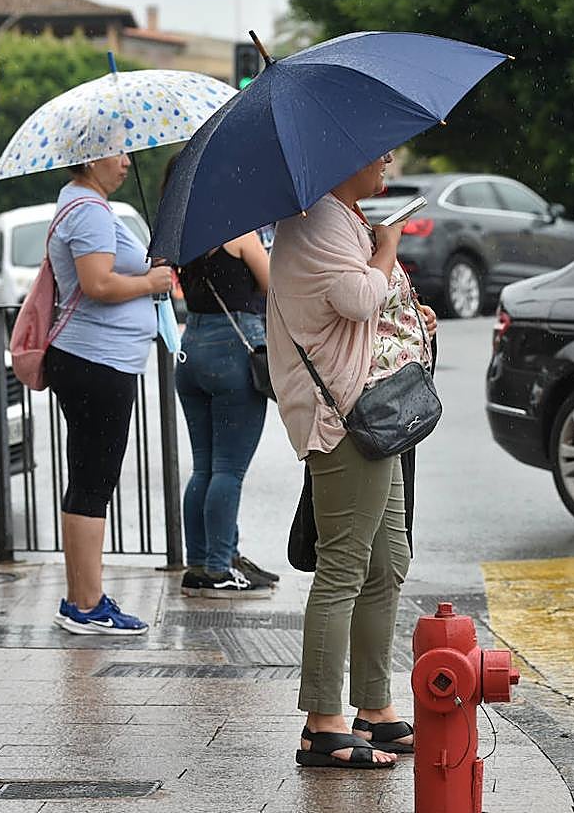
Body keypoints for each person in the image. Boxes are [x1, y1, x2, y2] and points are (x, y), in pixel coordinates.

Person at [267, 150, 436, 768]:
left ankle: (373, 708)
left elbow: (367, 307)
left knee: (388, 560)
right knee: (344, 565)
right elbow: (357, 297)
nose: (387, 158)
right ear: (342, 156)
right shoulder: (312, 222)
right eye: (377, 153)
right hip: (339, 414)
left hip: (367, 410)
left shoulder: (339, 214)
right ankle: (322, 723)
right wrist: (387, 244)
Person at [46, 154, 173, 636]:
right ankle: (87, 603)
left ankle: (81, 597)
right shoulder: (89, 211)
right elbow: (97, 283)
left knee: (86, 478)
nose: (126, 162)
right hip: (97, 361)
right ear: (90, 155)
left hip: (92, 359)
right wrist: (151, 282)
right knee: (94, 480)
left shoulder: (81, 205)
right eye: (116, 152)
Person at [164, 156, 278, 598]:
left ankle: (200, 562)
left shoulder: (177, 237)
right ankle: (219, 567)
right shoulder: (237, 231)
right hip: (233, 352)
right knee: (229, 470)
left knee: (205, 468)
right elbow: (272, 285)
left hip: (190, 350)